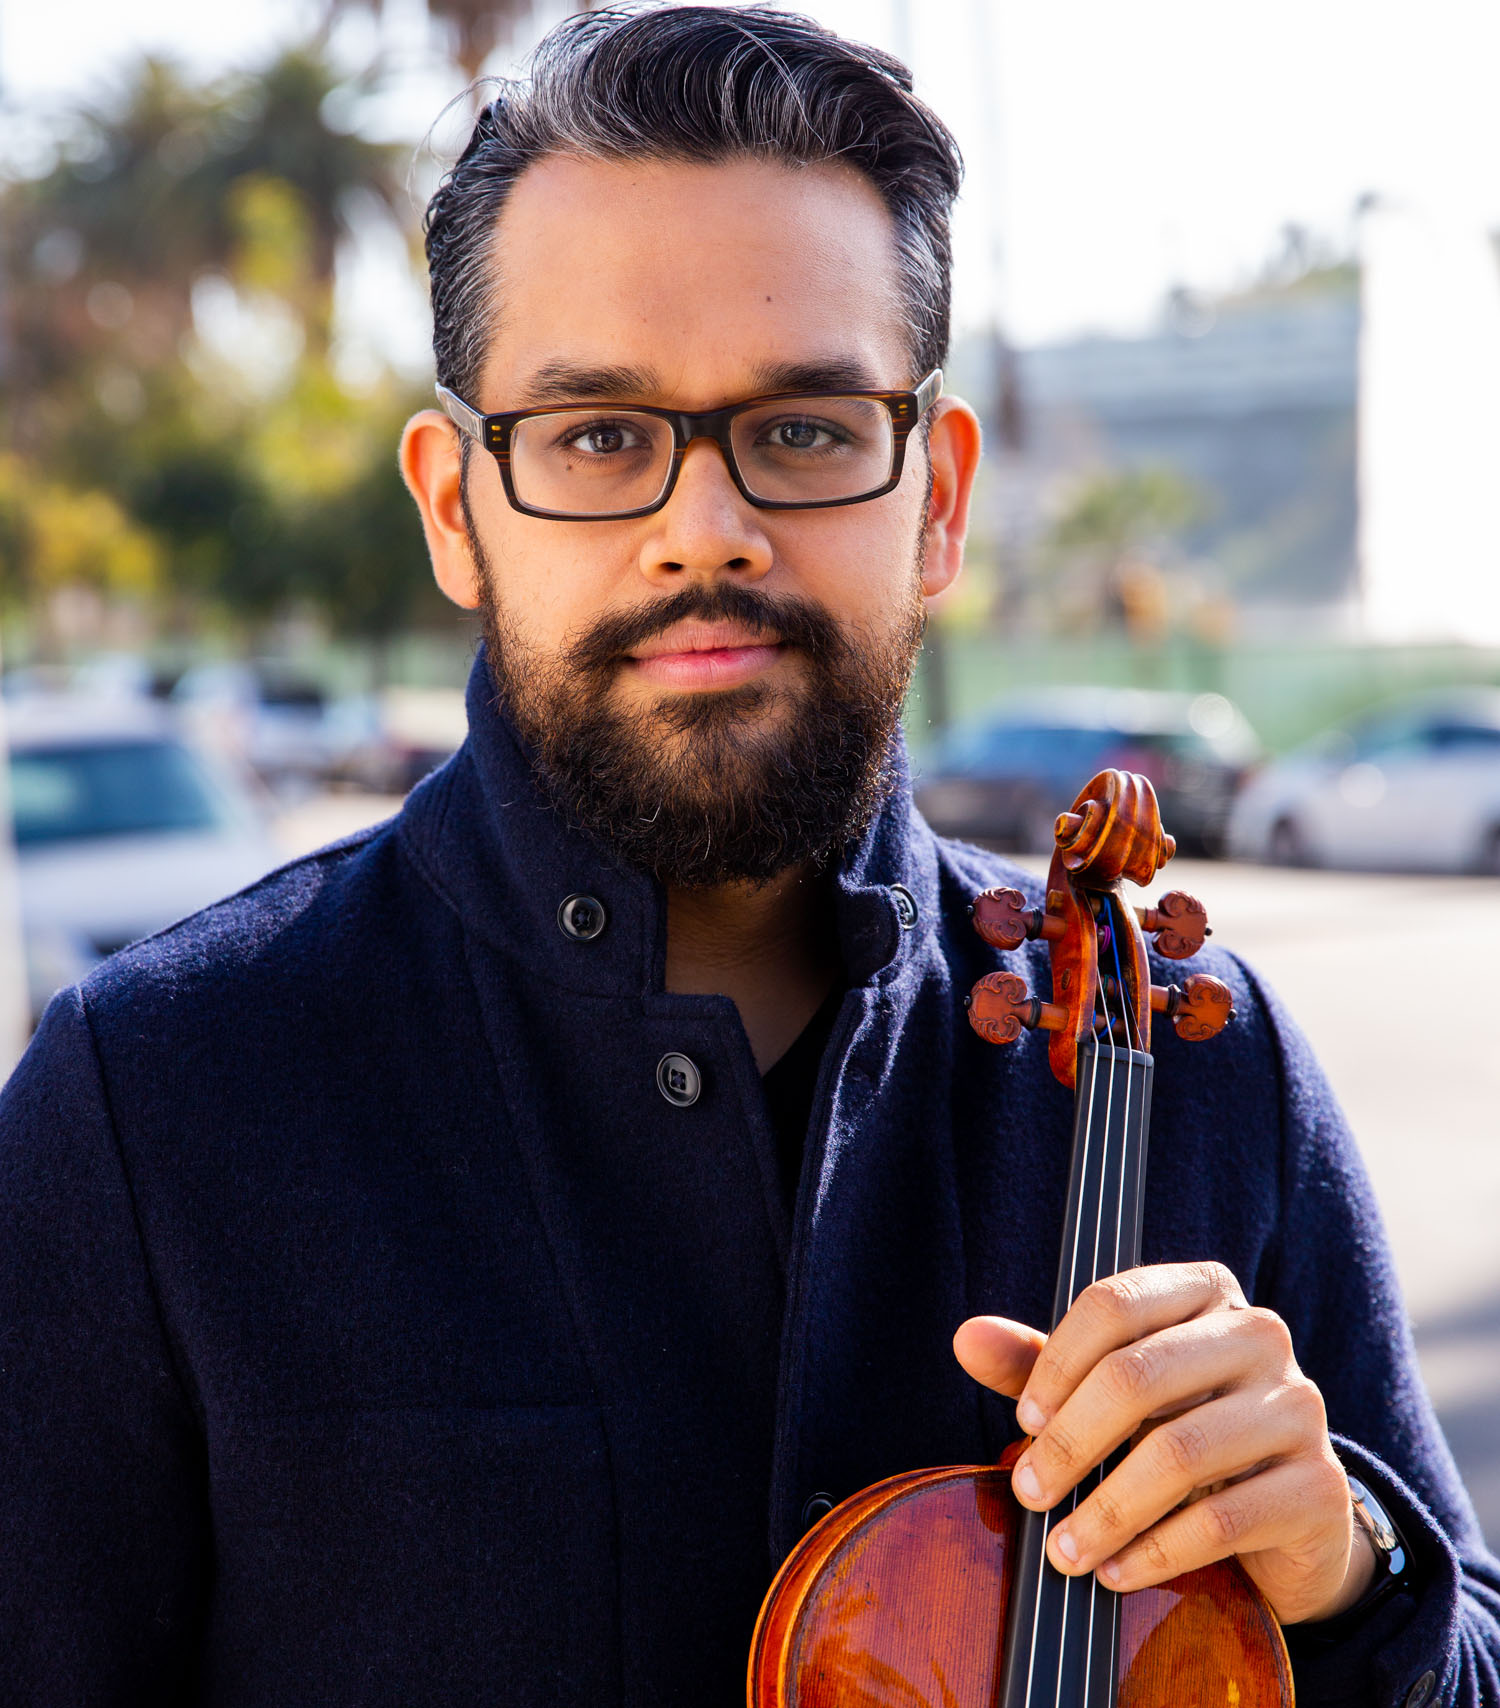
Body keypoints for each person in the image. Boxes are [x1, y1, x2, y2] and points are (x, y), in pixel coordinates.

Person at [1, 8, 1496, 1705]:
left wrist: (1353, 1573)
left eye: (800, 428)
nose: (702, 527)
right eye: (596, 436)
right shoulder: (153, 1107)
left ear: (935, 495)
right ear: (452, 509)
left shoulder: (1197, 1064)